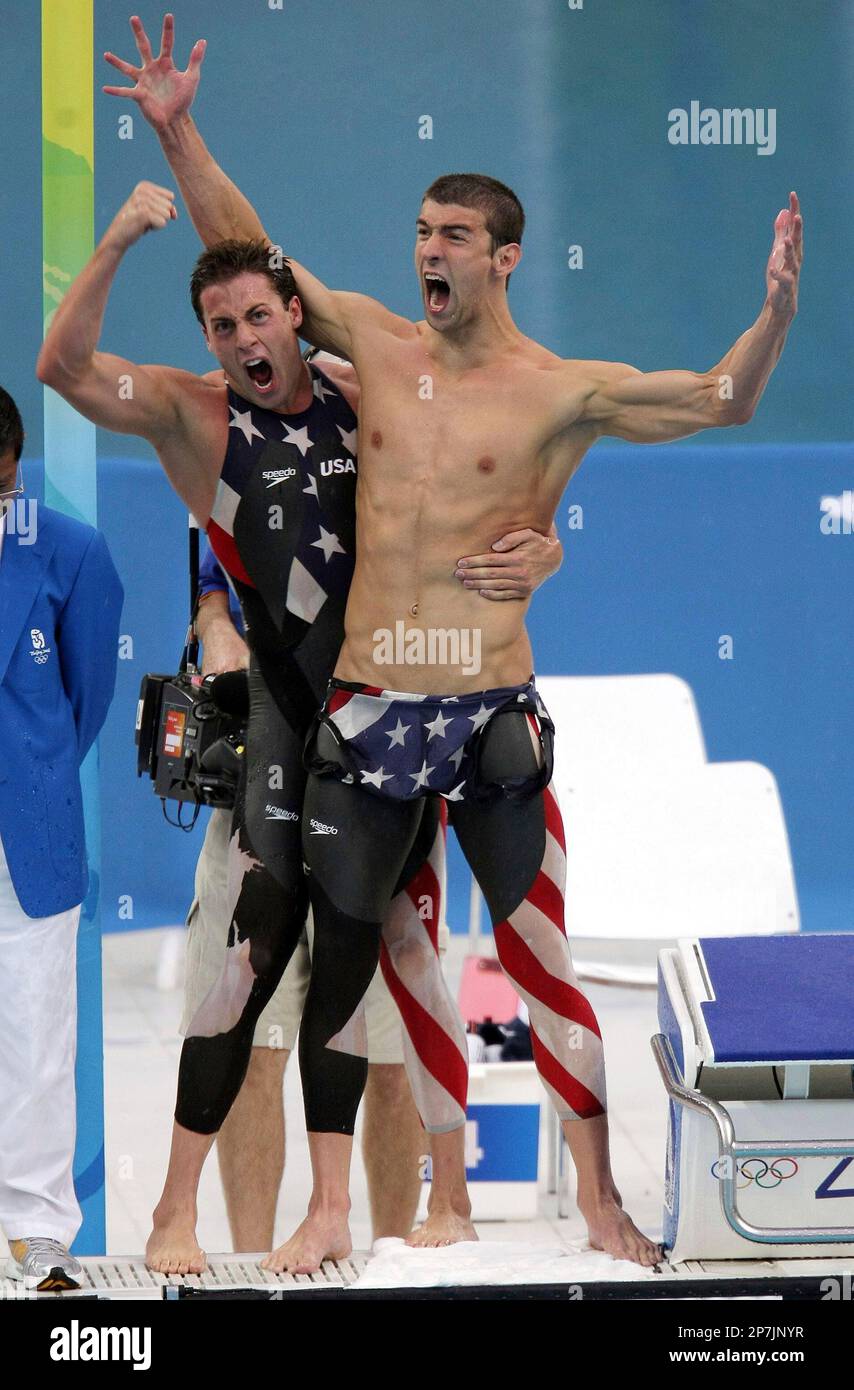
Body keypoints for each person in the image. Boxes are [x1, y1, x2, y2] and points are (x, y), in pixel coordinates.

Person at [108, 14, 803, 1271]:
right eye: (420, 232)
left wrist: (769, 315)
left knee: (540, 962)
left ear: (504, 258)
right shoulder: (374, 344)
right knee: (354, 969)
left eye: (452, 239)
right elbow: (246, 250)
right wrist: (178, 129)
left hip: (487, 710)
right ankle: (351, 1209)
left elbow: (720, 399)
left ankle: (596, 1198)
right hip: (371, 716)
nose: (427, 252)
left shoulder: (556, 387)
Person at [37, 179, 562, 1273]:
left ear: (294, 313)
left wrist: (544, 546)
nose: (241, 339)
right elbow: (63, 368)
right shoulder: (197, 412)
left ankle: (374, 1226)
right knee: (245, 975)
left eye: (257, 316)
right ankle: (178, 1218)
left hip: (386, 726)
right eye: (220, 327)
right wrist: (127, 232)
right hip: (281, 729)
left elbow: (485, 485)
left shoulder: (355, 388)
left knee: (380, 979)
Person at [188, 541, 457, 1252]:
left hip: (390, 782)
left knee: (394, 1064)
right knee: (251, 1048)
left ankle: (389, 1263)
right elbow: (209, 547)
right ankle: (254, 1268)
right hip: (265, 768)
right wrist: (211, 614)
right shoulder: (244, 436)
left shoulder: (416, 447)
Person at [0, 386, 123, 1290]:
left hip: (27, 828)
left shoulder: (67, 548)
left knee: (37, 1033)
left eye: (2, 487)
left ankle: (37, 1229)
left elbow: (85, 699)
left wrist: (32, 773)